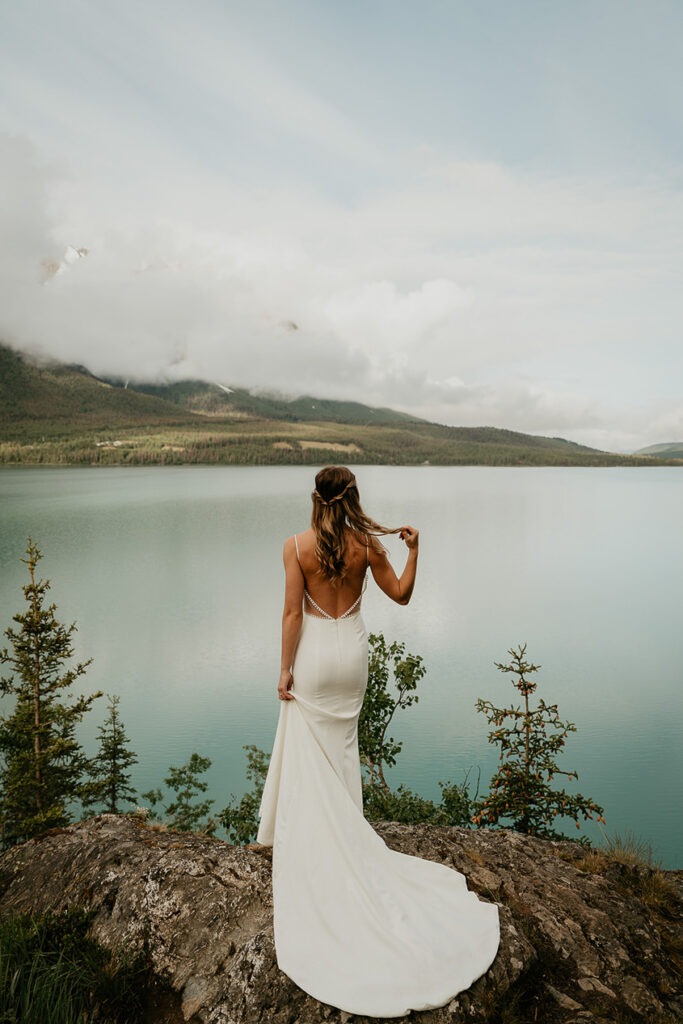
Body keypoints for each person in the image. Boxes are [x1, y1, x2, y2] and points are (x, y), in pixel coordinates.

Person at [256, 466, 500, 1017]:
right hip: (353, 658)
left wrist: (284, 671)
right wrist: (415, 550)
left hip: (316, 658)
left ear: (315, 499)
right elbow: (402, 596)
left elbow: (293, 613)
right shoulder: (368, 545)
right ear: (354, 498)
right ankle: (349, 831)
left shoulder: (296, 547)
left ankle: (313, 840)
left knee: (308, 745)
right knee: (342, 750)